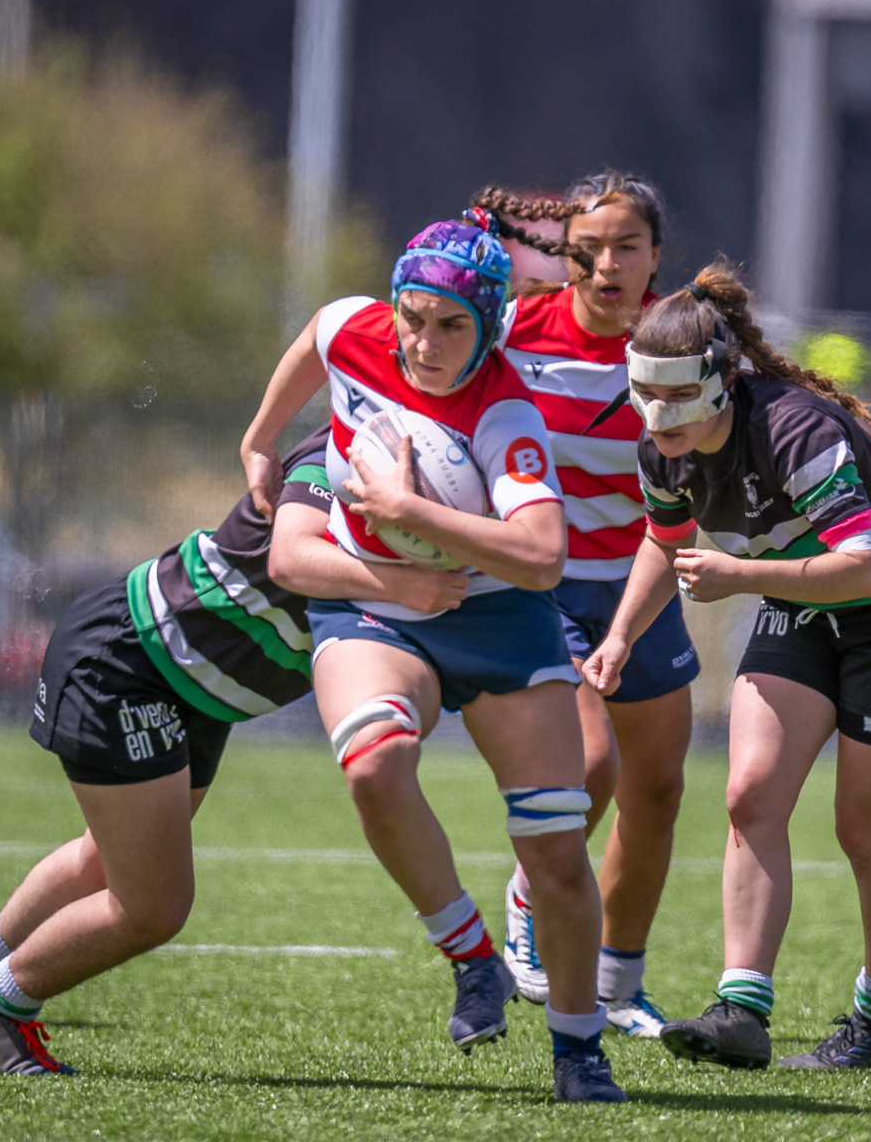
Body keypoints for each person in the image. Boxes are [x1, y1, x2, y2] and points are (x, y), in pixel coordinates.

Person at [0, 423, 468, 1076]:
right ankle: (1, 1002)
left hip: (201, 692)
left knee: (111, 859)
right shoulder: (344, 449)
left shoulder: (463, 464)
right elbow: (293, 559)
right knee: (152, 906)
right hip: (130, 661)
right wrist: (399, 583)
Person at [238, 212, 627, 1103]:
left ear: (489, 323)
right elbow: (314, 339)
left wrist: (412, 514)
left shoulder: (504, 412)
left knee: (558, 855)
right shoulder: (356, 328)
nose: (424, 341)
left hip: (496, 617)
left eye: (452, 324)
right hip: (374, 602)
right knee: (375, 765)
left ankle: (578, 1050)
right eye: (413, 315)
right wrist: (263, 436)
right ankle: (471, 957)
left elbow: (540, 555)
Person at [583, 264, 871, 1071]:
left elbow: (861, 568)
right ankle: (742, 1008)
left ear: (722, 381)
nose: (659, 419)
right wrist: (619, 637)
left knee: (864, 828)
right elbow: (666, 539)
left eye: (678, 399)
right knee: (750, 793)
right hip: (804, 599)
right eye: (646, 398)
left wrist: (741, 577)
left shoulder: (796, 431)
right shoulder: (663, 449)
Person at [485, 176, 698, 1040]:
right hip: (541, 581)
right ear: (564, 253)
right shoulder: (514, 328)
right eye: (588, 250)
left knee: (656, 789)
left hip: (646, 580)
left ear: (656, 255)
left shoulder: (680, 342)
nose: (606, 267)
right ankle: (531, 892)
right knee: (592, 763)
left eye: (626, 248)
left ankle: (619, 985)